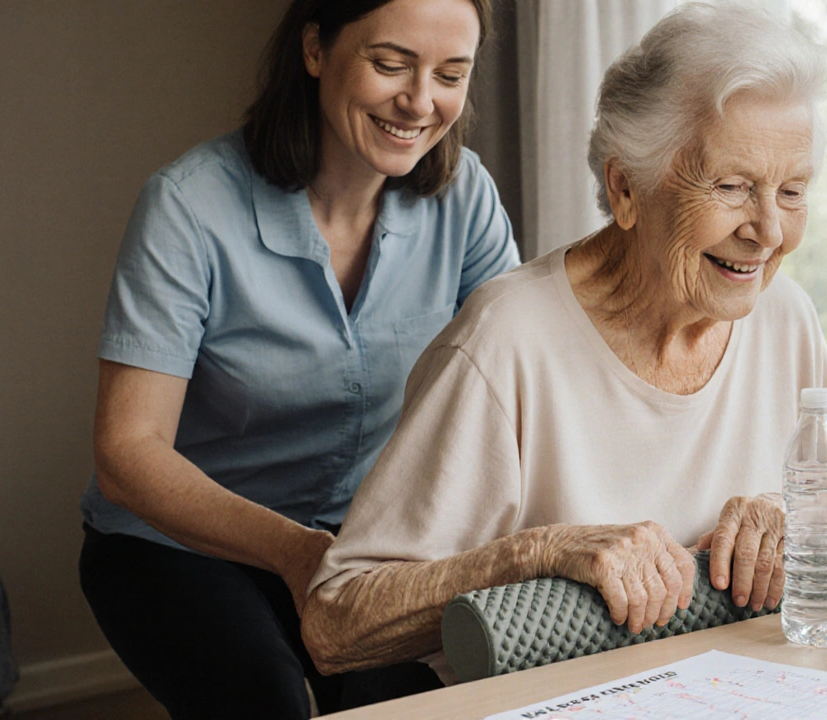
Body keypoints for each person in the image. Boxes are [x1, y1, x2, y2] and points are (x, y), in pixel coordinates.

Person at [301, 2, 827, 681]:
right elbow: (336, 622)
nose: (768, 231)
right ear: (625, 188)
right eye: (732, 186)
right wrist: (531, 554)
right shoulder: (506, 341)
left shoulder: (786, 318)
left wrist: (786, 518)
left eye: (793, 192)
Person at [77, 0, 517, 717]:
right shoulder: (187, 207)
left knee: (417, 696)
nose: (419, 101)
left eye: (450, 75)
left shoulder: (464, 196)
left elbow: (516, 386)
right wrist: (296, 553)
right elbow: (127, 453)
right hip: (178, 545)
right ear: (314, 49)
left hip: (365, 545)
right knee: (267, 700)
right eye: (391, 64)